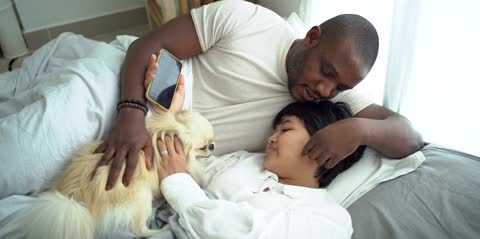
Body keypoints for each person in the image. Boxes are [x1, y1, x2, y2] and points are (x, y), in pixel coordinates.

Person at [95, 0, 423, 190]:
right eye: (325, 71)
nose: (325, 90)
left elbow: (409, 138)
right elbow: (146, 46)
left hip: (161, 144)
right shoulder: (247, 20)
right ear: (312, 37)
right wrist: (130, 113)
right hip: (125, 89)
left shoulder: (325, 102)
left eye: (339, 87)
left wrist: (358, 129)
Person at [155, 99, 366, 239]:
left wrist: (179, 185)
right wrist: (172, 120)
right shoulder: (247, 160)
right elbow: (178, 162)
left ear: (323, 142)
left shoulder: (329, 221)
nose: (271, 139)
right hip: (154, 225)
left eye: (285, 130)